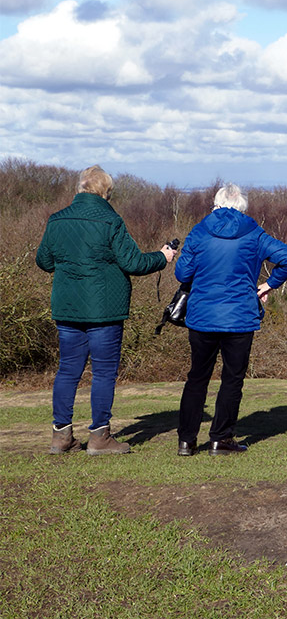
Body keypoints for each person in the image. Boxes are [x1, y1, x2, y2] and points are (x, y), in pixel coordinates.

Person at [36, 165, 177, 455]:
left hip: (67, 308)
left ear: (80, 188)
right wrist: (162, 257)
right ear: (106, 192)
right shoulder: (110, 220)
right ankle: (99, 437)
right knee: (102, 373)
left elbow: (44, 261)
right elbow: (134, 263)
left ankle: (61, 436)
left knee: (67, 372)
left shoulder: (57, 220)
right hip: (104, 311)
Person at [174, 183, 287, 456]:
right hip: (239, 318)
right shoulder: (254, 233)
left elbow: (183, 274)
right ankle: (221, 439)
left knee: (197, 378)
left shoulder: (200, 230)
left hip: (202, 316)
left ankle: (187, 440)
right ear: (242, 206)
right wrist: (268, 285)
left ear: (216, 204)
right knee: (232, 380)